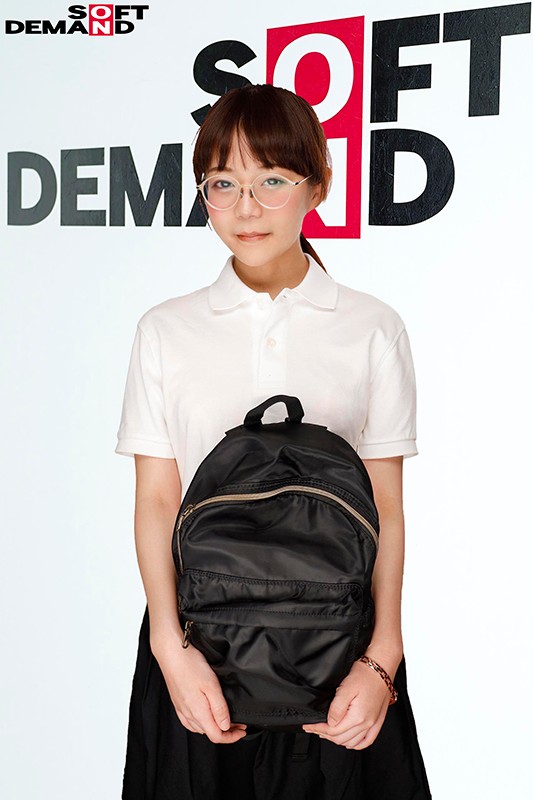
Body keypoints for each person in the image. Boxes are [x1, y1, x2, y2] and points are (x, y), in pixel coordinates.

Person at [115, 83, 432, 799]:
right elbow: (158, 499)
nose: (246, 208)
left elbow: (385, 505)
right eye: (222, 183)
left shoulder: (371, 326)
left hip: (339, 640)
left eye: (272, 181)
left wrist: (382, 656)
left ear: (316, 186)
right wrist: (170, 649)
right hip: (200, 638)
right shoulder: (165, 328)